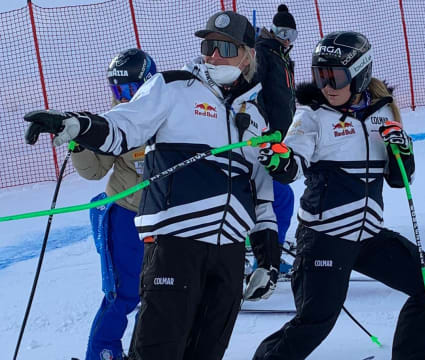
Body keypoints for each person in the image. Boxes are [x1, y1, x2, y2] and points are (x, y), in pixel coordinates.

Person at [24, 11, 279, 360]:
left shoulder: (256, 114)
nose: (214, 55)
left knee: (207, 351)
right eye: (208, 46)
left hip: (230, 253)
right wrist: (79, 126)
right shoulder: (173, 88)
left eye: (225, 47)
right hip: (176, 246)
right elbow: (123, 125)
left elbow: (260, 189)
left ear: (248, 55)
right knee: (157, 351)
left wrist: (268, 259)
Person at [253, 31, 425, 360]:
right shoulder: (311, 117)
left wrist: (403, 151)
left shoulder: (383, 113)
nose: (327, 86)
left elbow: (399, 180)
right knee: (316, 322)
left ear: (359, 73)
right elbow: (291, 167)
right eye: (320, 76)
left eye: (335, 77)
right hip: (324, 238)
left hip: (369, 238)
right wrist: (277, 158)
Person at [72, 48, 156, 360]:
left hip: (166, 217)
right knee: (124, 293)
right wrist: (79, 142)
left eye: (129, 89)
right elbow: (94, 170)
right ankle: (103, 353)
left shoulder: (168, 110)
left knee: (165, 290)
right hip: (126, 214)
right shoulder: (114, 120)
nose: (123, 97)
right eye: (116, 89)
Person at [246, 4, 299, 284]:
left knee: (277, 196)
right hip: (263, 140)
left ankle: (263, 251)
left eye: (292, 33)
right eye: (282, 32)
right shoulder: (265, 52)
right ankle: (265, 257)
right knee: (279, 198)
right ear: (273, 30)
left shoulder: (281, 55)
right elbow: (252, 88)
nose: (287, 38)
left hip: (281, 139)